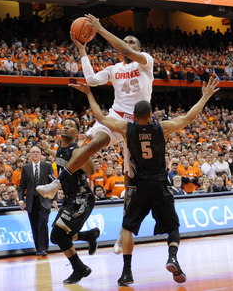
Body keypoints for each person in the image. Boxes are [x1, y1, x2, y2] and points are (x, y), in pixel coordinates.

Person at [67, 77, 219, 286]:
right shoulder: (161, 127)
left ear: (135, 116)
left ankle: (127, 272)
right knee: (173, 226)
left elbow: (101, 117)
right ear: (150, 115)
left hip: (138, 186)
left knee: (128, 228)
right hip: (159, 184)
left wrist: (88, 93)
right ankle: (172, 257)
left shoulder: (126, 128)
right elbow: (189, 117)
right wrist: (205, 96)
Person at [36, 13, 154, 254]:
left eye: (132, 43)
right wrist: (82, 50)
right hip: (117, 117)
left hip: (139, 123)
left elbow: (125, 49)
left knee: (132, 183)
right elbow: (91, 79)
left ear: (140, 49)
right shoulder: (113, 68)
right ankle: (56, 184)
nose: (128, 46)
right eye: (126, 42)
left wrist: (99, 29)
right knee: (93, 144)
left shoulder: (146, 62)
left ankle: (124, 231)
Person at [36, 119, 100, 285]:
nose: (66, 126)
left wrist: (83, 151)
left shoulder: (76, 150)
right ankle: (89, 236)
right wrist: (50, 151)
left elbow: (91, 170)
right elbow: (61, 157)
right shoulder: (62, 149)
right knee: (60, 237)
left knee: (57, 235)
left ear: (76, 133)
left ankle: (80, 268)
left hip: (82, 198)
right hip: (69, 199)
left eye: (71, 125)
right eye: (64, 124)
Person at [18, 146, 58, 256]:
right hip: (31, 200)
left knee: (43, 222)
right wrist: (21, 200)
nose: (35, 154)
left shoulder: (47, 166)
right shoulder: (26, 168)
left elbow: (53, 183)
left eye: (37, 152)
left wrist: (54, 199)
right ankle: (38, 248)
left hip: (45, 199)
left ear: (40, 154)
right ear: (30, 155)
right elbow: (22, 186)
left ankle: (44, 248)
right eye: (33, 152)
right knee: (34, 225)